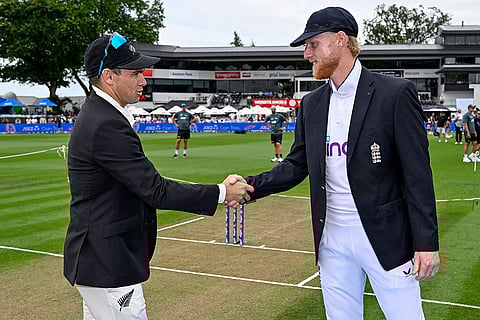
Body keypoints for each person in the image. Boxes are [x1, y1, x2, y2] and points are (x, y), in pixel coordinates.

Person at [240, 7, 439, 319]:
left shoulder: (395, 94)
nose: (307, 54)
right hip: (331, 240)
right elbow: (296, 165)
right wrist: (250, 186)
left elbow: (417, 174)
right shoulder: (311, 104)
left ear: (341, 40)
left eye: (313, 44)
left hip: (386, 238)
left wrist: (426, 243)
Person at [63, 32, 253, 320]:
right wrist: (222, 193)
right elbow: (155, 190)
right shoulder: (105, 123)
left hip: (102, 261)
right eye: (136, 73)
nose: (143, 80)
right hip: (108, 264)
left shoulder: (103, 115)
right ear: (108, 77)